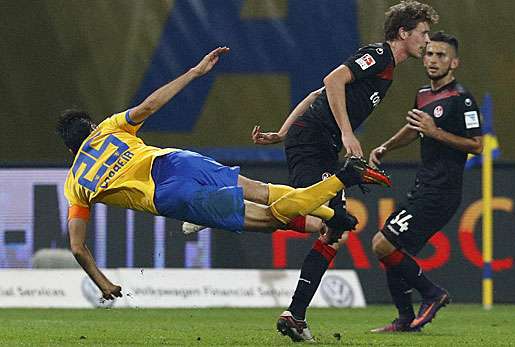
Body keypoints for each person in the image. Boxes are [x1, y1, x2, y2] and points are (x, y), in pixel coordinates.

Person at [57, 47, 392, 301]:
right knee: (264, 191)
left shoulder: (75, 184)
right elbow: (148, 107)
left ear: (72, 151)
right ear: (91, 126)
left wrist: (105, 284)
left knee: (272, 219)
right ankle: (332, 213)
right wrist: (194, 72)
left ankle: (340, 183)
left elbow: (77, 247)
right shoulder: (108, 129)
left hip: (170, 196)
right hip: (176, 161)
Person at [252, 1, 439, 342]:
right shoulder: (380, 55)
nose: (427, 41)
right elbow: (332, 80)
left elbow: (315, 93)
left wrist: (282, 131)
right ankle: (232, 204)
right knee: (327, 222)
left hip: (317, 144)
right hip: (314, 141)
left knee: (332, 228)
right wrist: (347, 133)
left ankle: (294, 314)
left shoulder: (388, 71)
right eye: (423, 33)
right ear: (403, 32)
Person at [368, 31, 483, 332]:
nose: (433, 60)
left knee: (382, 243)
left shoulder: (463, 99)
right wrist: (386, 147)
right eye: (430, 54)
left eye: (441, 55)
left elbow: (477, 145)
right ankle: (405, 320)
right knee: (393, 253)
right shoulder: (423, 94)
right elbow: (414, 126)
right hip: (424, 185)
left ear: (454, 62)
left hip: (442, 190)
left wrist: (436, 133)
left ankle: (432, 293)